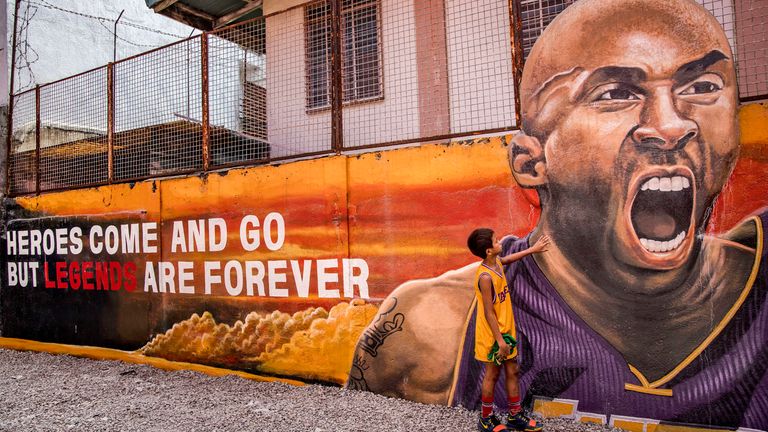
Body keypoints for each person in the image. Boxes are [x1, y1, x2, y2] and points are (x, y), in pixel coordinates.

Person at [347, 0, 768, 429]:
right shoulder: (430, 328)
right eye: (616, 94)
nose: (672, 125)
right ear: (532, 163)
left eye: (703, 86)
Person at [467, 228, 548, 432]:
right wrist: (500, 341)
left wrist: (533, 249)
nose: (500, 241)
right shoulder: (485, 277)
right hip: (494, 336)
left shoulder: (496, 264)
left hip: (507, 332)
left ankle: (514, 416)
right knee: (492, 375)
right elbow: (488, 312)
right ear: (488, 251)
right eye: (496, 241)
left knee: (513, 370)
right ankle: (486, 419)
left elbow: (508, 259)